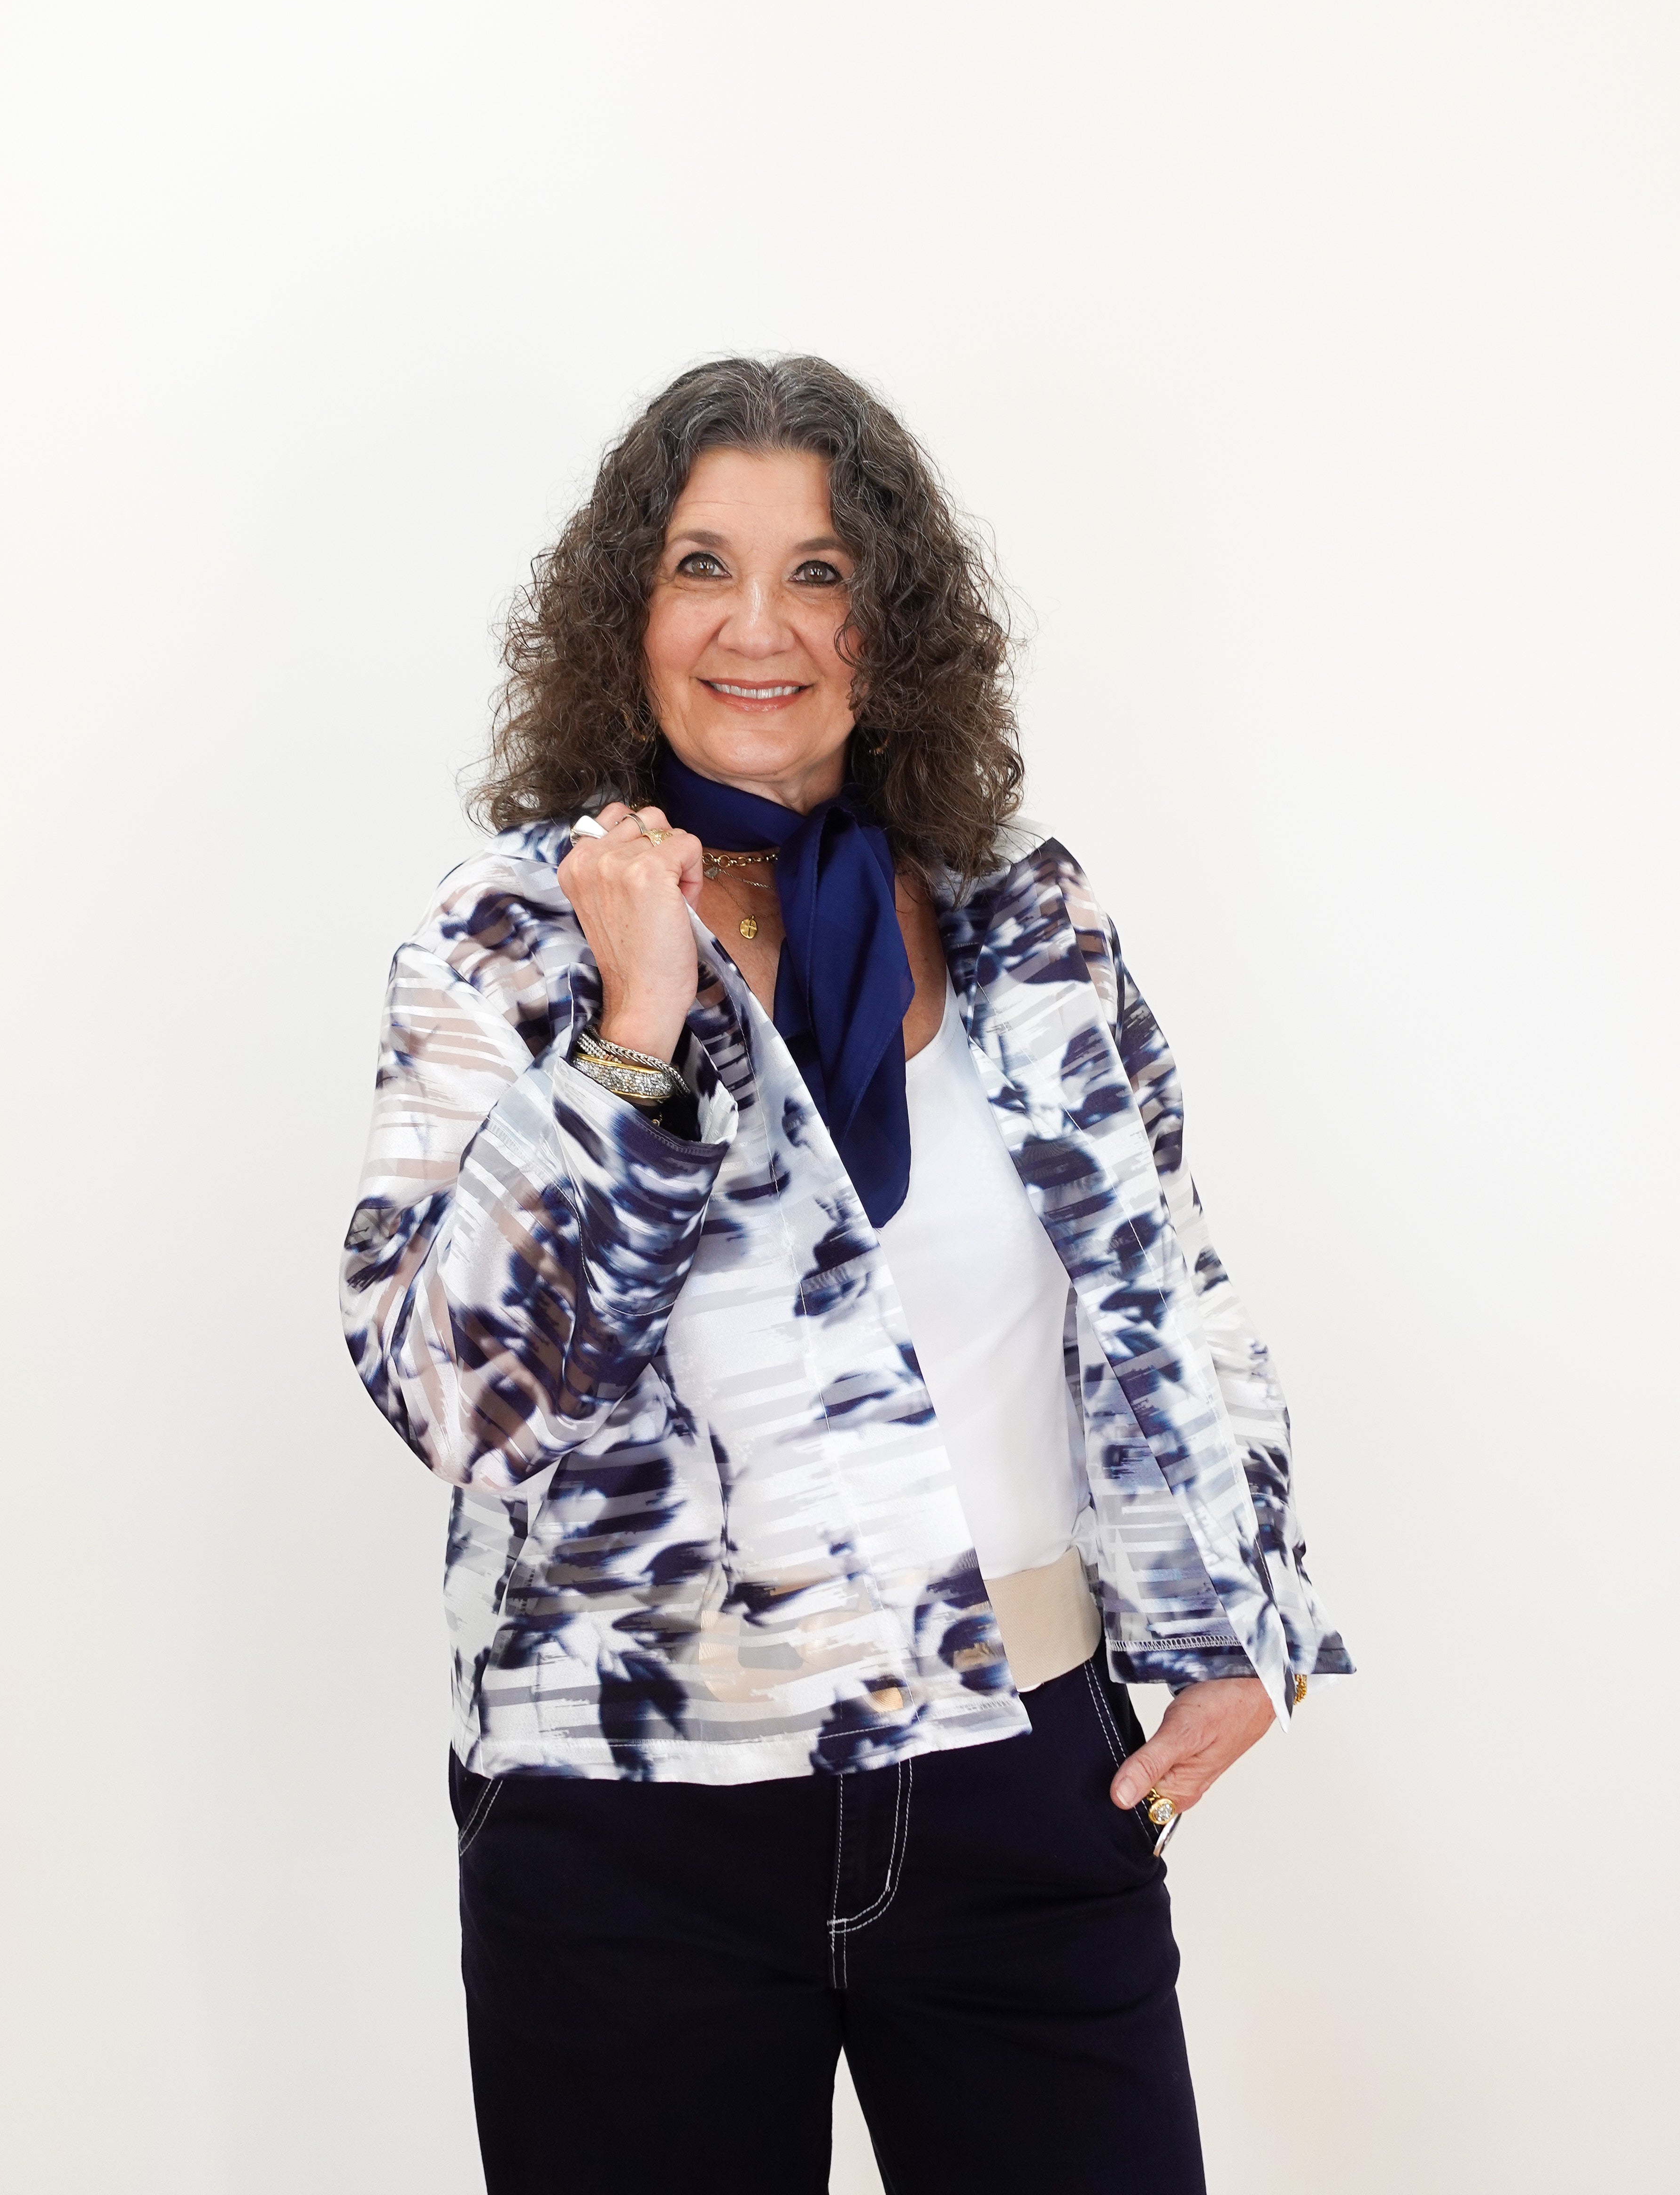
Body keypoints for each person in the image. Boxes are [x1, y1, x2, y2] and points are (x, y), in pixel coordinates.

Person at [340, 355, 1351, 2195]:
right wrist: (637, 1039)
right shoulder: (510, 937)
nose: (761, 626)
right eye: (703, 566)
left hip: (1021, 1780)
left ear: (891, 623)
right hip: (636, 1818)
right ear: (622, 613)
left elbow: (1163, 1276)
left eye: (820, 573)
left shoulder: (1019, 914)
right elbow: (463, 1398)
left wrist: (1240, 1622)